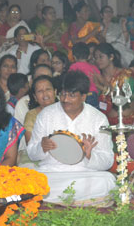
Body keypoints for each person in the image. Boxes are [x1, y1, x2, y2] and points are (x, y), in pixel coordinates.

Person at [27, 71, 115, 205]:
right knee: (30, 180)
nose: (65, 99)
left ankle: (57, 200)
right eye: (63, 94)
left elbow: (108, 160)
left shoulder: (98, 119)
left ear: (84, 96)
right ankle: (82, 201)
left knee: (107, 181)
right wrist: (41, 147)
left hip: (85, 174)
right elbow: (32, 153)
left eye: (72, 95)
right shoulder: (46, 115)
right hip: (53, 172)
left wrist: (89, 155)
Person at [93, 43, 134, 125]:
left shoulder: (125, 75)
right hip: (104, 121)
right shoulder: (97, 77)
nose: (97, 60)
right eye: (95, 58)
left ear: (111, 57)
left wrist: (102, 86)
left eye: (101, 57)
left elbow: (125, 100)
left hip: (126, 120)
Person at [23, 75, 56, 144]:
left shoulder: (66, 110)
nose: (45, 94)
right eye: (40, 91)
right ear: (35, 97)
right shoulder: (31, 115)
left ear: (55, 92)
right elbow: (31, 143)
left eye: (48, 89)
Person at [69, 42, 100, 108]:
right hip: (94, 95)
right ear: (89, 56)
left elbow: (70, 81)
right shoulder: (94, 68)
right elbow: (99, 80)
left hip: (81, 95)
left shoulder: (73, 67)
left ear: (74, 57)